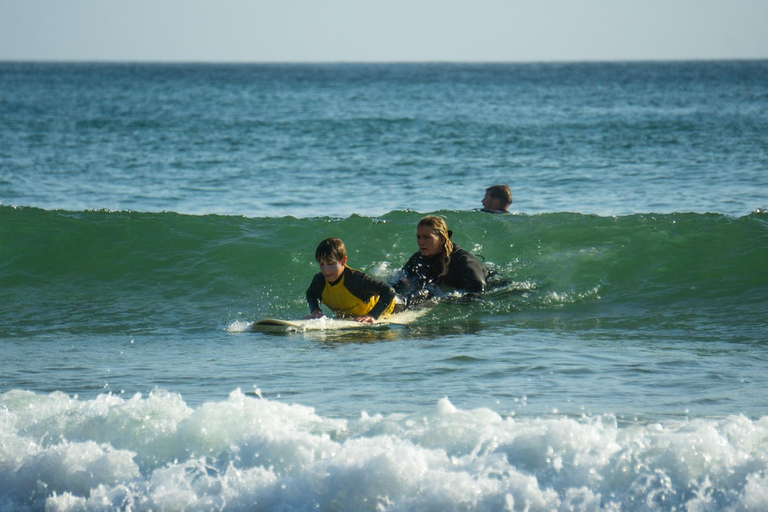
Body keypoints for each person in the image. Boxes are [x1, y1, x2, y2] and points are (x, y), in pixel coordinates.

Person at [393, 216, 488, 302]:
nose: (421, 242)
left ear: (442, 239)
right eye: (419, 237)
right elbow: (402, 277)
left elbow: (478, 293)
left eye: (427, 237)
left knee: (428, 292)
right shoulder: (418, 258)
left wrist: (442, 300)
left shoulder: (464, 260)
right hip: (439, 290)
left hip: (493, 290)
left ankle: (405, 301)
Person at [306, 238, 396, 324]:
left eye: (330, 264)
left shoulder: (356, 280)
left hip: (394, 307)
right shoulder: (319, 281)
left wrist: (372, 315)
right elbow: (311, 294)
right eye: (322, 264)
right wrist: (315, 311)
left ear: (343, 261)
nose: (326, 270)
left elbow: (389, 291)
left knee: (405, 285)